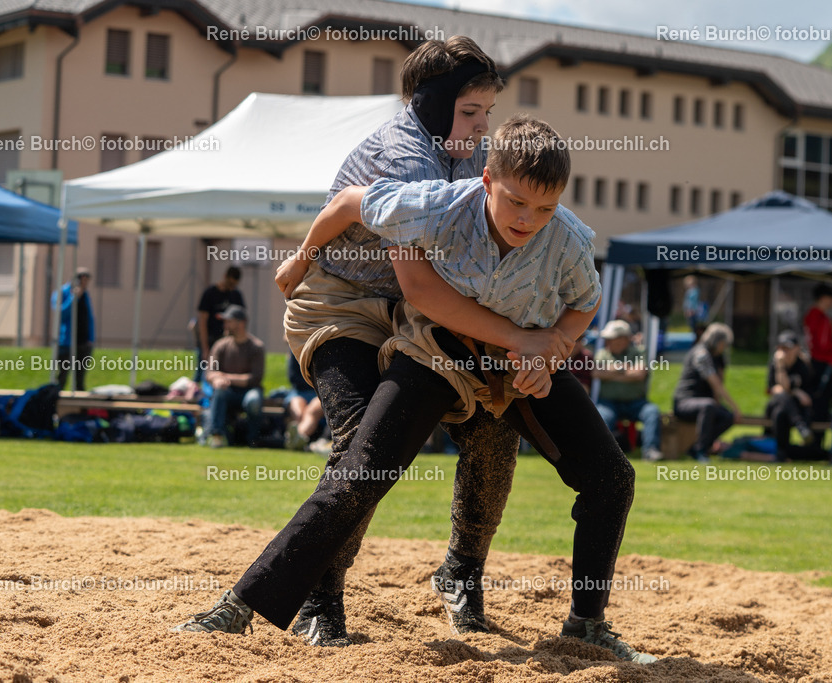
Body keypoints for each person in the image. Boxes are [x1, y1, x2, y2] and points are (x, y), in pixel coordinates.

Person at [187, 114, 655, 662]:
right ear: (486, 180)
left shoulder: (568, 238)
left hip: (515, 364)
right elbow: (346, 204)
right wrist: (302, 256)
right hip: (438, 352)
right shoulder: (438, 204)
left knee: (612, 478)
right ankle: (240, 605)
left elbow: (585, 303)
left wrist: (551, 350)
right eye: (516, 202)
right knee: (362, 470)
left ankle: (585, 625)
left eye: (545, 208)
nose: (529, 219)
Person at [177, 38, 568, 647]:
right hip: (344, 304)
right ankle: (321, 599)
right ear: (433, 105)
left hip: (415, 315)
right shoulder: (405, 157)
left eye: (489, 112)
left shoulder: (471, 153)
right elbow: (418, 280)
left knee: (494, 429)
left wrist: (542, 335)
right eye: (470, 111)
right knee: (364, 442)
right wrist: (519, 338)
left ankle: (461, 571)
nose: (482, 126)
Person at [592, 319, 663, 461]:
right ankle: (602, 454)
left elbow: (639, 374)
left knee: (652, 412)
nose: (607, 342)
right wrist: (624, 369)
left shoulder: (639, 352)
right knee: (601, 417)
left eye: (611, 338)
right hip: (608, 403)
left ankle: (650, 451)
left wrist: (612, 373)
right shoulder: (602, 353)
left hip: (636, 403)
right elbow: (597, 373)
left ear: (624, 339)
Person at [672, 322, 740, 463]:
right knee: (708, 405)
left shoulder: (716, 357)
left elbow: (718, 386)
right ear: (718, 342)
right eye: (724, 344)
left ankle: (697, 448)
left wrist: (730, 410)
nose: (725, 347)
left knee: (728, 417)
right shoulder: (701, 354)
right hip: (684, 402)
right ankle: (700, 451)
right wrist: (735, 407)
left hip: (703, 403)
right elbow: (716, 384)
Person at [203, 305, 265, 449]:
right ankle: (216, 436)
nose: (225, 325)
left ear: (241, 323)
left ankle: (253, 440)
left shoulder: (256, 346)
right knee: (219, 391)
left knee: (254, 400)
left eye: (229, 321)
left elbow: (255, 378)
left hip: (249, 390)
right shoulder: (220, 345)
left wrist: (225, 377)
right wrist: (216, 379)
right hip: (227, 391)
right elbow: (209, 373)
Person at [765, 331, 814, 461]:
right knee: (781, 396)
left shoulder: (802, 366)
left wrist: (787, 390)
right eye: (781, 348)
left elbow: (785, 386)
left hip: (791, 408)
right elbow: (774, 389)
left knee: (780, 413)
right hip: (776, 404)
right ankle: (800, 426)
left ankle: (781, 453)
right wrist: (795, 392)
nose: (784, 352)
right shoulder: (775, 363)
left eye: (787, 348)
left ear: (797, 349)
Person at [195, 266, 245, 382]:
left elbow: (241, 318)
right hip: (210, 338)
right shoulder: (210, 293)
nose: (231, 287)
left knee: (222, 372)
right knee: (203, 372)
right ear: (225, 277)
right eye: (230, 283)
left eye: (234, 285)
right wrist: (205, 347)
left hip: (227, 341)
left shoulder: (235, 295)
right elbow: (202, 321)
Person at [51, 267, 95, 391]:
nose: (85, 284)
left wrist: (91, 338)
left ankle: (79, 401)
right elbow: (60, 313)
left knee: (80, 379)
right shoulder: (62, 292)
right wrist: (74, 297)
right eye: (83, 280)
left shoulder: (85, 295)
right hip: (66, 343)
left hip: (83, 343)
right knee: (62, 376)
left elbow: (89, 318)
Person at [803, 283, 832, 422]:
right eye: (831, 297)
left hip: (814, 361)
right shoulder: (821, 317)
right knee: (821, 403)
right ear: (823, 298)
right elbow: (823, 344)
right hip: (821, 363)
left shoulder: (810, 314)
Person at [284, 352, 325, 451]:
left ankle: (298, 436)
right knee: (298, 412)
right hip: (299, 392)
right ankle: (299, 439)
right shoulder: (296, 349)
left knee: (311, 411)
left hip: (319, 392)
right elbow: (293, 377)